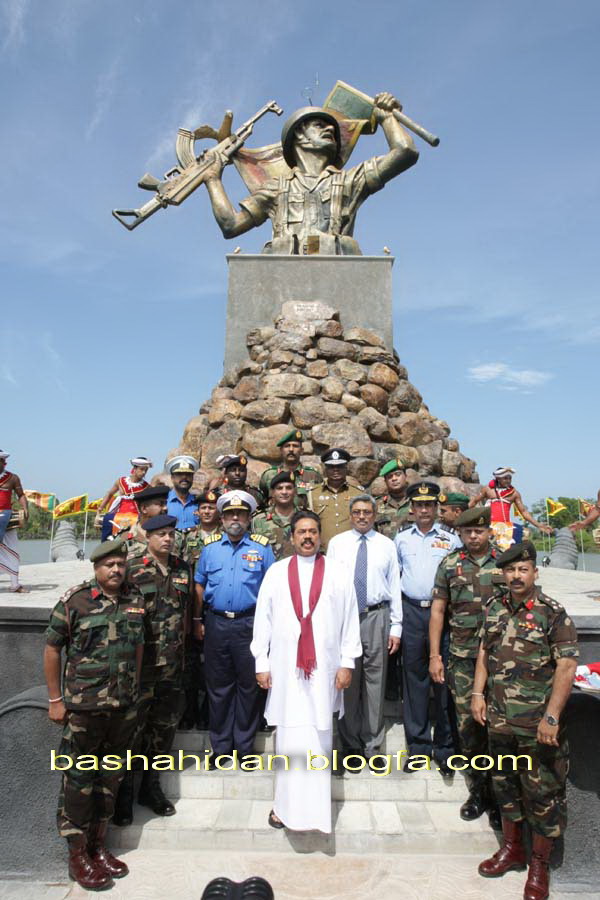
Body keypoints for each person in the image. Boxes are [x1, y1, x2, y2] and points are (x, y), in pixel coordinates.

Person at [472, 541, 578, 900]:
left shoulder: (553, 613)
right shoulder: (494, 607)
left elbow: (566, 666)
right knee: (504, 784)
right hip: (500, 719)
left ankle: (539, 865)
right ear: (503, 573)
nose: (516, 576)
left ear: (534, 572)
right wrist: (477, 694)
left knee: (542, 793)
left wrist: (552, 716)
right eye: (510, 570)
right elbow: (484, 652)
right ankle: (512, 849)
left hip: (537, 725)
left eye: (523, 569)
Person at [251, 510, 361, 831]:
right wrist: (261, 662)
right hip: (286, 671)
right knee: (288, 739)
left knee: (319, 737)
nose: (308, 537)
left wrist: (347, 662)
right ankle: (284, 809)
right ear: (292, 536)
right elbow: (263, 620)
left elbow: (350, 620)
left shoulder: (337, 572)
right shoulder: (276, 572)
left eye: (313, 531)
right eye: (302, 532)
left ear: (320, 535)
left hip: (324, 672)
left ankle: (316, 813)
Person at [203, 93, 418, 256]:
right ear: (299, 135)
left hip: (339, 276)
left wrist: (387, 119)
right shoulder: (276, 188)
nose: (330, 130)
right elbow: (231, 225)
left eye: (332, 129)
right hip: (282, 279)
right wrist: (213, 179)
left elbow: (405, 152)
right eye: (319, 126)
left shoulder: (349, 181)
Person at [44, 539, 143, 889]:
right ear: (96, 568)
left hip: (122, 709)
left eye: (121, 564)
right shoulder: (76, 601)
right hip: (84, 708)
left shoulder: (134, 599)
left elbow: (138, 647)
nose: (116, 570)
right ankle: (77, 854)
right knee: (78, 781)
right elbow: (52, 648)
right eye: (109, 565)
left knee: (111, 778)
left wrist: (134, 690)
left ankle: (99, 846)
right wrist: (56, 700)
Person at [113, 514, 192, 826]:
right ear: (147, 537)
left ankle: (151, 787)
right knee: (131, 732)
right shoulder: (132, 568)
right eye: (161, 534)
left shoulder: (182, 568)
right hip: (140, 668)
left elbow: (186, 613)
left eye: (171, 534)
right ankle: (124, 794)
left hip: (171, 667)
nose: (167, 539)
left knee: (163, 730)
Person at [429, 506, 502, 825]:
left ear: (489, 532)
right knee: (468, 728)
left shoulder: (505, 562)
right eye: (468, 531)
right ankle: (478, 791)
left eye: (479, 531)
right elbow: (438, 611)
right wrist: (435, 655)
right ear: (460, 533)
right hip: (462, 658)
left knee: (499, 728)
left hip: (501, 660)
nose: (474, 536)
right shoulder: (449, 564)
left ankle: (501, 797)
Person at [193, 491, 275, 760]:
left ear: (249, 518)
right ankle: (220, 748)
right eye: (230, 515)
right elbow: (199, 585)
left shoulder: (262, 548)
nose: (235, 519)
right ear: (222, 519)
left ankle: (245, 748)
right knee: (218, 687)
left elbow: (272, 588)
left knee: (249, 687)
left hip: (250, 624)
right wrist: (197, 620)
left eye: (240, 514)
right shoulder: (210, 548)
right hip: (216, 623)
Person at [327, 495, 402, 761]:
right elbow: (330, 585)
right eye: (357, 512)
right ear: (350, 515)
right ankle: (350, 745)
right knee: (347, 678)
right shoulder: (337, 544)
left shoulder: (386, 545)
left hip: (377, 615)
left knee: (375, 682)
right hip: (345, 617)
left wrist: (396, 627)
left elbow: (394, 586)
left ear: (374, 515)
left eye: (367, 512)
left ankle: (373, 744)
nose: (362, 516)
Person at [394, 481, 461, 773]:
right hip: (411, 613)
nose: (424, 510)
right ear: (412, 508)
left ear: (436, 508)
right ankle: (418, 747)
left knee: (443, 681)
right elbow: (395, 577)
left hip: (442, 615)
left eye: (429, 505)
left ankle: (445, 749)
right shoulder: (400, 540)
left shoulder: (451, 540)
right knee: (414, 682)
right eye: (419, 505)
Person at [469, 467, 552, 550]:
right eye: (505, 478)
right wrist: (474, 517)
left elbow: (524, 512)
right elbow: (473, 502)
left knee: (523, 534)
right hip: (489, 525)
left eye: (510, 478)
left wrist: (539, 525)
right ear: (498, 478)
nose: (508, 480)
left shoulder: (514, 493)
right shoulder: (488, 490)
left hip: (505, 526)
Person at [306, 448, 363, 551]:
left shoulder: (358, 494)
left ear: (346, 467)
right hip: (323, 553)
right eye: (331, 467)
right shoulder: (312, 493)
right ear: (325, 469)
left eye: (340, 466)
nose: (335, 470)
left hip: (352, 551)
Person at [96, 456, 153, 540]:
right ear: (135, 468)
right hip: (120, 513)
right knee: (107, 519)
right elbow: (109, 493)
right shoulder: (121, 481)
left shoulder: (146, 486)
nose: (144, 472)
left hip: (136, 514)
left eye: (146, 470)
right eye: (141, 469)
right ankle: (106, 544)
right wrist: (100, 509)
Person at [259, 430, 322, 501]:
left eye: (295, 446)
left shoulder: (313, 475)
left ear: (301, 451)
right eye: (287, 446)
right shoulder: (269, 475)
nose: (291, 449)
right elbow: (264, 500)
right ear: (281, 450)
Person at [0, 450, 29, 592]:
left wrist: (25, 508)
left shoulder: (13, 478)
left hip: (7, 518)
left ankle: (14, 584)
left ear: (3, 462)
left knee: (12, 550)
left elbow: (21, 495)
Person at [252, 471, 297, 559]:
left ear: (295, 491)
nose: (284, 492)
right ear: (272, 492)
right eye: (279, 488)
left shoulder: (305, 517)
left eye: (288, 488)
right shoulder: (259, 520)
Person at [113, 484, 169, 555]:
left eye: (166, 504)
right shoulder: (124, 538)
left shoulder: (173, 536)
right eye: (160, 504)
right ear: (144, 509)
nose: (165, 508)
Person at [374, 458, 411, 540]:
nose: (394, 479)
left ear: (405, 476)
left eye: (398, 474)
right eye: (390, 476)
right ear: (385, 481)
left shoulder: (417, 502)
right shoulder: (377, 504)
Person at [166, 455, 199, 529]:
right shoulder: (164, 501)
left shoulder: (199, 502)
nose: (184, 477)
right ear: (172, 478)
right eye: (179, 474)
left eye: (188, 474)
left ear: (192, 477)